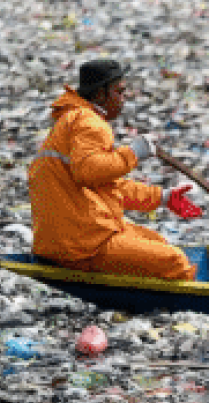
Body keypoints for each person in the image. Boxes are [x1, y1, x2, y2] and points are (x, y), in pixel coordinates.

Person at [28, 59, 200, 281]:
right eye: (119, 92)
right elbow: (90, 171)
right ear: (100, 94)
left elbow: (106, 186)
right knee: (174, 261)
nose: (123, 99)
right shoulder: (89, 123)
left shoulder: (71, 121)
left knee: (155, 241)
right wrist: (133, 154)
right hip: (80, 245)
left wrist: (162, 197)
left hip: (66, 238)